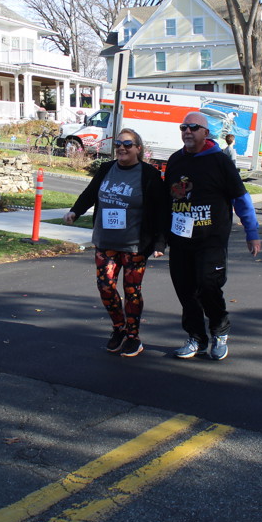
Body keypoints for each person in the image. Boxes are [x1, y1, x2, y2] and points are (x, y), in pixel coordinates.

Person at [164, 111, 261, 361]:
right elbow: (166, 200)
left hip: (211, 240)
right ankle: (196, 337)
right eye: (184, 127)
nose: (187, 131)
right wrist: (160, 237)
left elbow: (241, 198)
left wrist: (252, 232)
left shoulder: (220, 161)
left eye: (193, 127)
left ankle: (220, 331)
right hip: (180, 239)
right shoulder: (175, 160)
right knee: (185, 291)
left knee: (208, 286)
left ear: (206, 133)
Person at [64, 129, 167, 357]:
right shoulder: (106, 169)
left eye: (127, 144)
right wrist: (75, 211)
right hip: (105, 241)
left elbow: (161, 210)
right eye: (118, 144)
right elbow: (90, 193)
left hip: (135, 245)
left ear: (138, 148)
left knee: (131, 291)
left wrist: (160, 243)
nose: (121, 148)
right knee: (105, 286)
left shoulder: (148, 174)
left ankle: (133, 336)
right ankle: (119, 328)